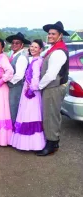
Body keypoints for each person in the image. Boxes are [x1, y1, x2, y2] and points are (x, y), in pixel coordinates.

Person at [36, 21, 70, 156]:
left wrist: (38, 86)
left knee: (51, 115)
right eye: (49, 33)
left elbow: (50, 75)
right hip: (51, 87)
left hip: (53, 87)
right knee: (50, 114)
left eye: (53, 34)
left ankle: (52, 143)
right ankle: (52, 141)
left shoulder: (58, 52)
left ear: (60, 35)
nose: (50, 36)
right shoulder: (53, 49)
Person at [11, 39, 46, 151]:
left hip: (31, 92)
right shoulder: (34, 60)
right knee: (26, 113)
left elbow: (36, 77)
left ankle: (30, 144)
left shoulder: (37, 61)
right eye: (31, 46)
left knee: (30, 114)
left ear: (40, 49)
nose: (33, 49)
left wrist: (31, 89)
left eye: (36, 47)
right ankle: (27, 143)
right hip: (28, 89)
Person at [5, 32, 30, 123]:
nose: (14, 45)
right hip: (12, 86)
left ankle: (14, 132)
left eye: (17, 43)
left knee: (14, 108)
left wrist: (5, 80)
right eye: (13, 43)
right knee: (11, 108)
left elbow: (19, 75)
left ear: (22, 45)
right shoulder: (13, 55)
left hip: (16, 87)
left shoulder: (21, 57)